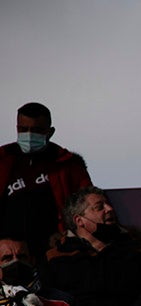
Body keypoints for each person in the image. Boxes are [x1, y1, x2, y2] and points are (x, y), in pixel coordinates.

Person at [0, 103, 92, 262]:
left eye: (36, 130)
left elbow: (88, 207)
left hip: (55, 254)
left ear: (50, 132)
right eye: (23, 130)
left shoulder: (68, 164)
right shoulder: (3, 160)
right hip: (9, 255)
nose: (28, 136)